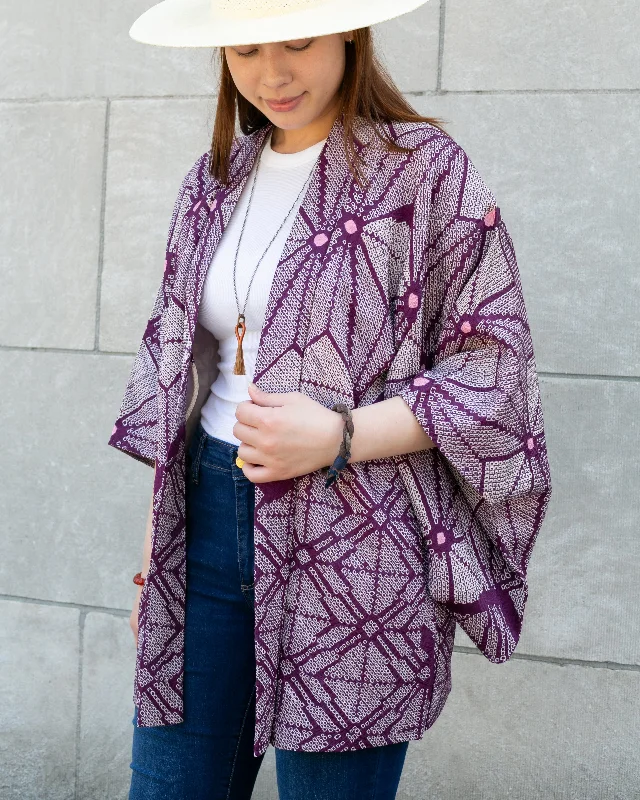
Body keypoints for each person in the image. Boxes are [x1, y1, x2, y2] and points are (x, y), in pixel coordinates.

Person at [109, 2, 553, 799]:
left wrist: (343, 433)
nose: (273, 72)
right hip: (205, 525)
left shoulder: (423, 169)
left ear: (350, 32)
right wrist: (153, 564)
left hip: (359, 542)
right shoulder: (214, 182)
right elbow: (179, 374)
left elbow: (497, 368)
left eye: (298, 42)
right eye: (245, 50)